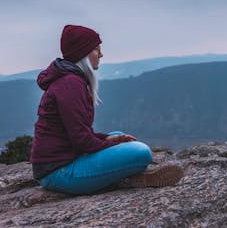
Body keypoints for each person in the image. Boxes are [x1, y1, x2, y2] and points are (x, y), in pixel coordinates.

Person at [30, 24, 183, 195]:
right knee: (141, 152)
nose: (101, 55)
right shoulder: (70, 84)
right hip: (59, 173)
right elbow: (81, 140)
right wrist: (107, 144)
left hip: (61, 163)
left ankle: (126, 176)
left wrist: (109, 139)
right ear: (83, 53)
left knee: (119, 137)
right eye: (96, 49)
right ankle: (128, 177)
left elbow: (77, 134)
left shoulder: (71, 80)